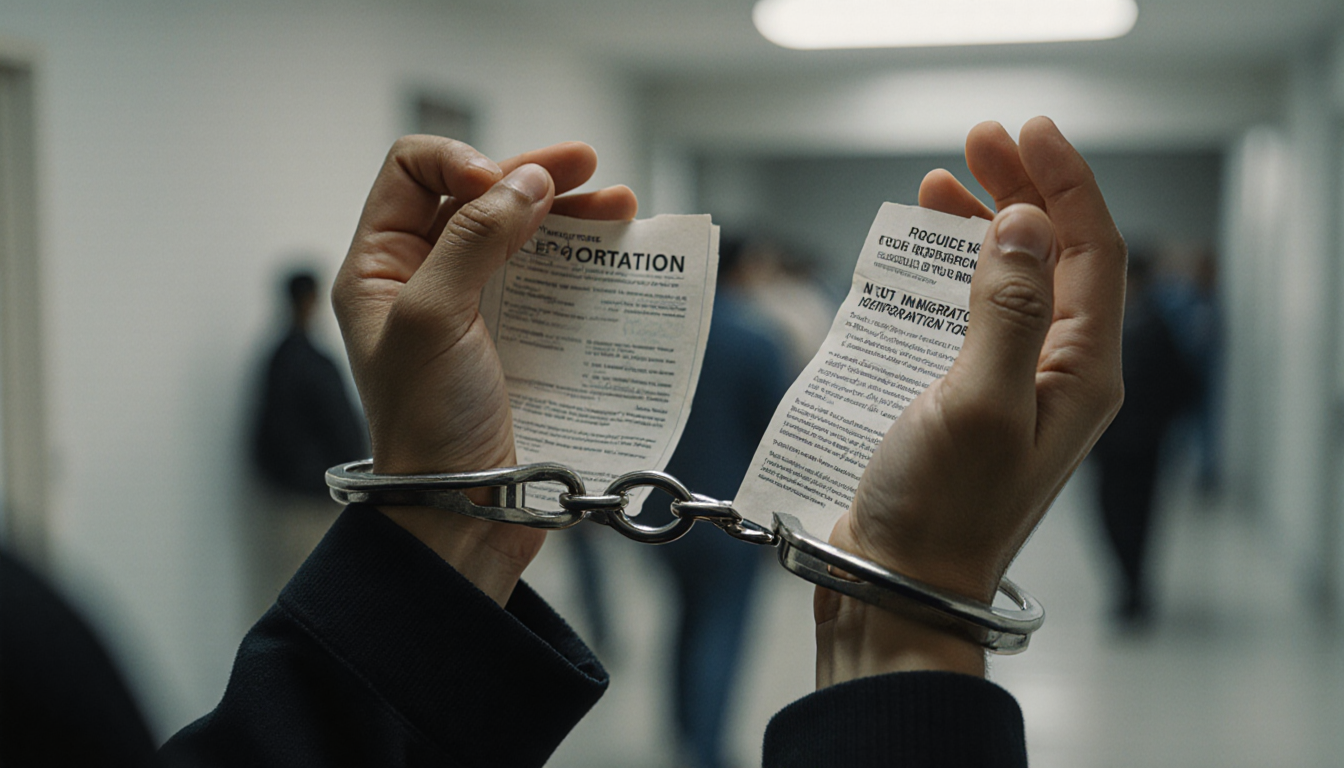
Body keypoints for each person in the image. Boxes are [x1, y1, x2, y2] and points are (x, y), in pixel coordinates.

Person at [1, 116, 1125, 767]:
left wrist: (444, 516)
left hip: (675, 513)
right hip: (705, 516)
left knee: (703, 644)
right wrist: (910, 611)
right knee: (710, 643)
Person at [645, 234, 791, 768]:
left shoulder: (662, 338)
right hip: (731, 514)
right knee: (721, 631)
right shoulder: (755, 340)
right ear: (743, 265)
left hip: (661, 512)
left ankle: (685, 734)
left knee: (684, 621)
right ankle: (703, 753)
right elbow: (777, 433)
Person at [1092, 252, 1196, 626]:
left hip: (1137, 445)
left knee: (1134, 519)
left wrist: (1154, 424)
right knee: (1112, 516)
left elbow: (1184, 383)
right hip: (1111, 445)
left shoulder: (1151, 327)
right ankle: (1129, 588)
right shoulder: (1110, 324)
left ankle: (1134, 592)